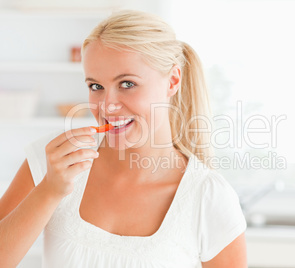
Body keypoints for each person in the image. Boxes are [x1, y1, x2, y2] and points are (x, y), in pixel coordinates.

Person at [0, 9, 247, 267]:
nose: (107, 106)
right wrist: (49, 190)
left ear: (172, 80)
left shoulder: (208, 197)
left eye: (127, 84)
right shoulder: (56, 159)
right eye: (96, 86)